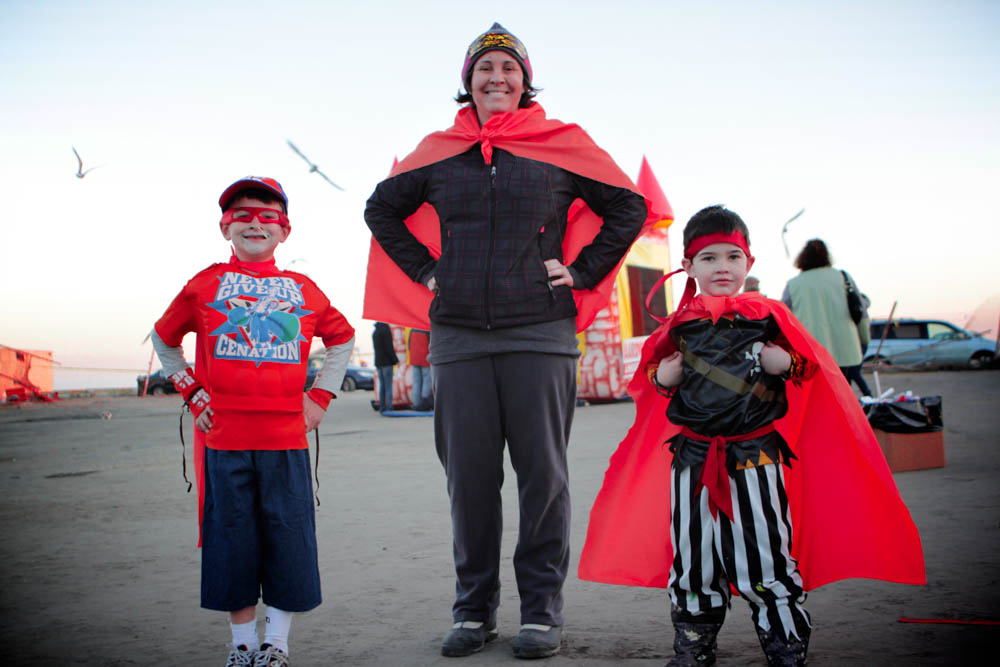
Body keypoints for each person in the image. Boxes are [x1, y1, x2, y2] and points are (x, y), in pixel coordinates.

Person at [364, 23, 653, 659]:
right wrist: (427, 271)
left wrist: (581, 272)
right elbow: (380, 208)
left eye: (509, 69)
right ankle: (473, 613)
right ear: (467, 82)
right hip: (459, 337)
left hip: (540, 333)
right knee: (468, 482)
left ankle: (542, 613)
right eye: (485, 69)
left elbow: (628, 207)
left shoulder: (561, 145)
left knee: (542, 480)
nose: (497, 78)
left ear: (526, 82)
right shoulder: (439, 153)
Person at [578, 206, 925, 666]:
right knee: (694, 556)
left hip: (756, 458)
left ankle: (785, 645)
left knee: (765, 553)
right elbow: (652, 377)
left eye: (732, 257)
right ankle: (693, 646)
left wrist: (786, 362)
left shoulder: (769, 317)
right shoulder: (680, 324)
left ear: (749, 263)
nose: (722, 267)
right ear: (688, 266)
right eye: (709, 258)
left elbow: (809, 369)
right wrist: (663, 375)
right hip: (692, 459)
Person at [150, 176, 355, 667]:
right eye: (242, 215)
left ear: (285, 230)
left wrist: (320, 396)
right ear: (225, 227)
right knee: (231, 541)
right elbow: (163, 338)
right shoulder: (204, 284)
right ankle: (241, 645)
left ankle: (276, 645)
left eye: (268, 216)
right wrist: (192, 392)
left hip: (287, 440)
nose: (255, 224)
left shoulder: (304, 289)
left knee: (289, 539)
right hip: (224, 442)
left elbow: (343, 337)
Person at [782, 239, 872, 396]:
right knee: (842, 396)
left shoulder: (793, 284)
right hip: (846, 349)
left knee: (817, 397)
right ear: (826, 256)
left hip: (810, 354)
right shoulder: (843, 277)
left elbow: (784, 318)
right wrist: (864, 339)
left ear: (802, 258)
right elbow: (861, 311)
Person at [372, 322, 398, 413]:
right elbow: (389, 348)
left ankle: (382, 407)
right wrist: (395, 360)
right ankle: (389, 407)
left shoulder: (375, 332)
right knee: (388, 385)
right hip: (387, 362)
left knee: (382, 386)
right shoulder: (386, 331)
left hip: (378, 363)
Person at [407, 328, 432, 411]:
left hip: (414, 358)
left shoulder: (412, 329)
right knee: (427, 381)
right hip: (425, 358)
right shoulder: (427, 329)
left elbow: (409, 345)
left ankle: (416, 404)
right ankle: (424, 404)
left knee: (416, 382)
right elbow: (431, 345)